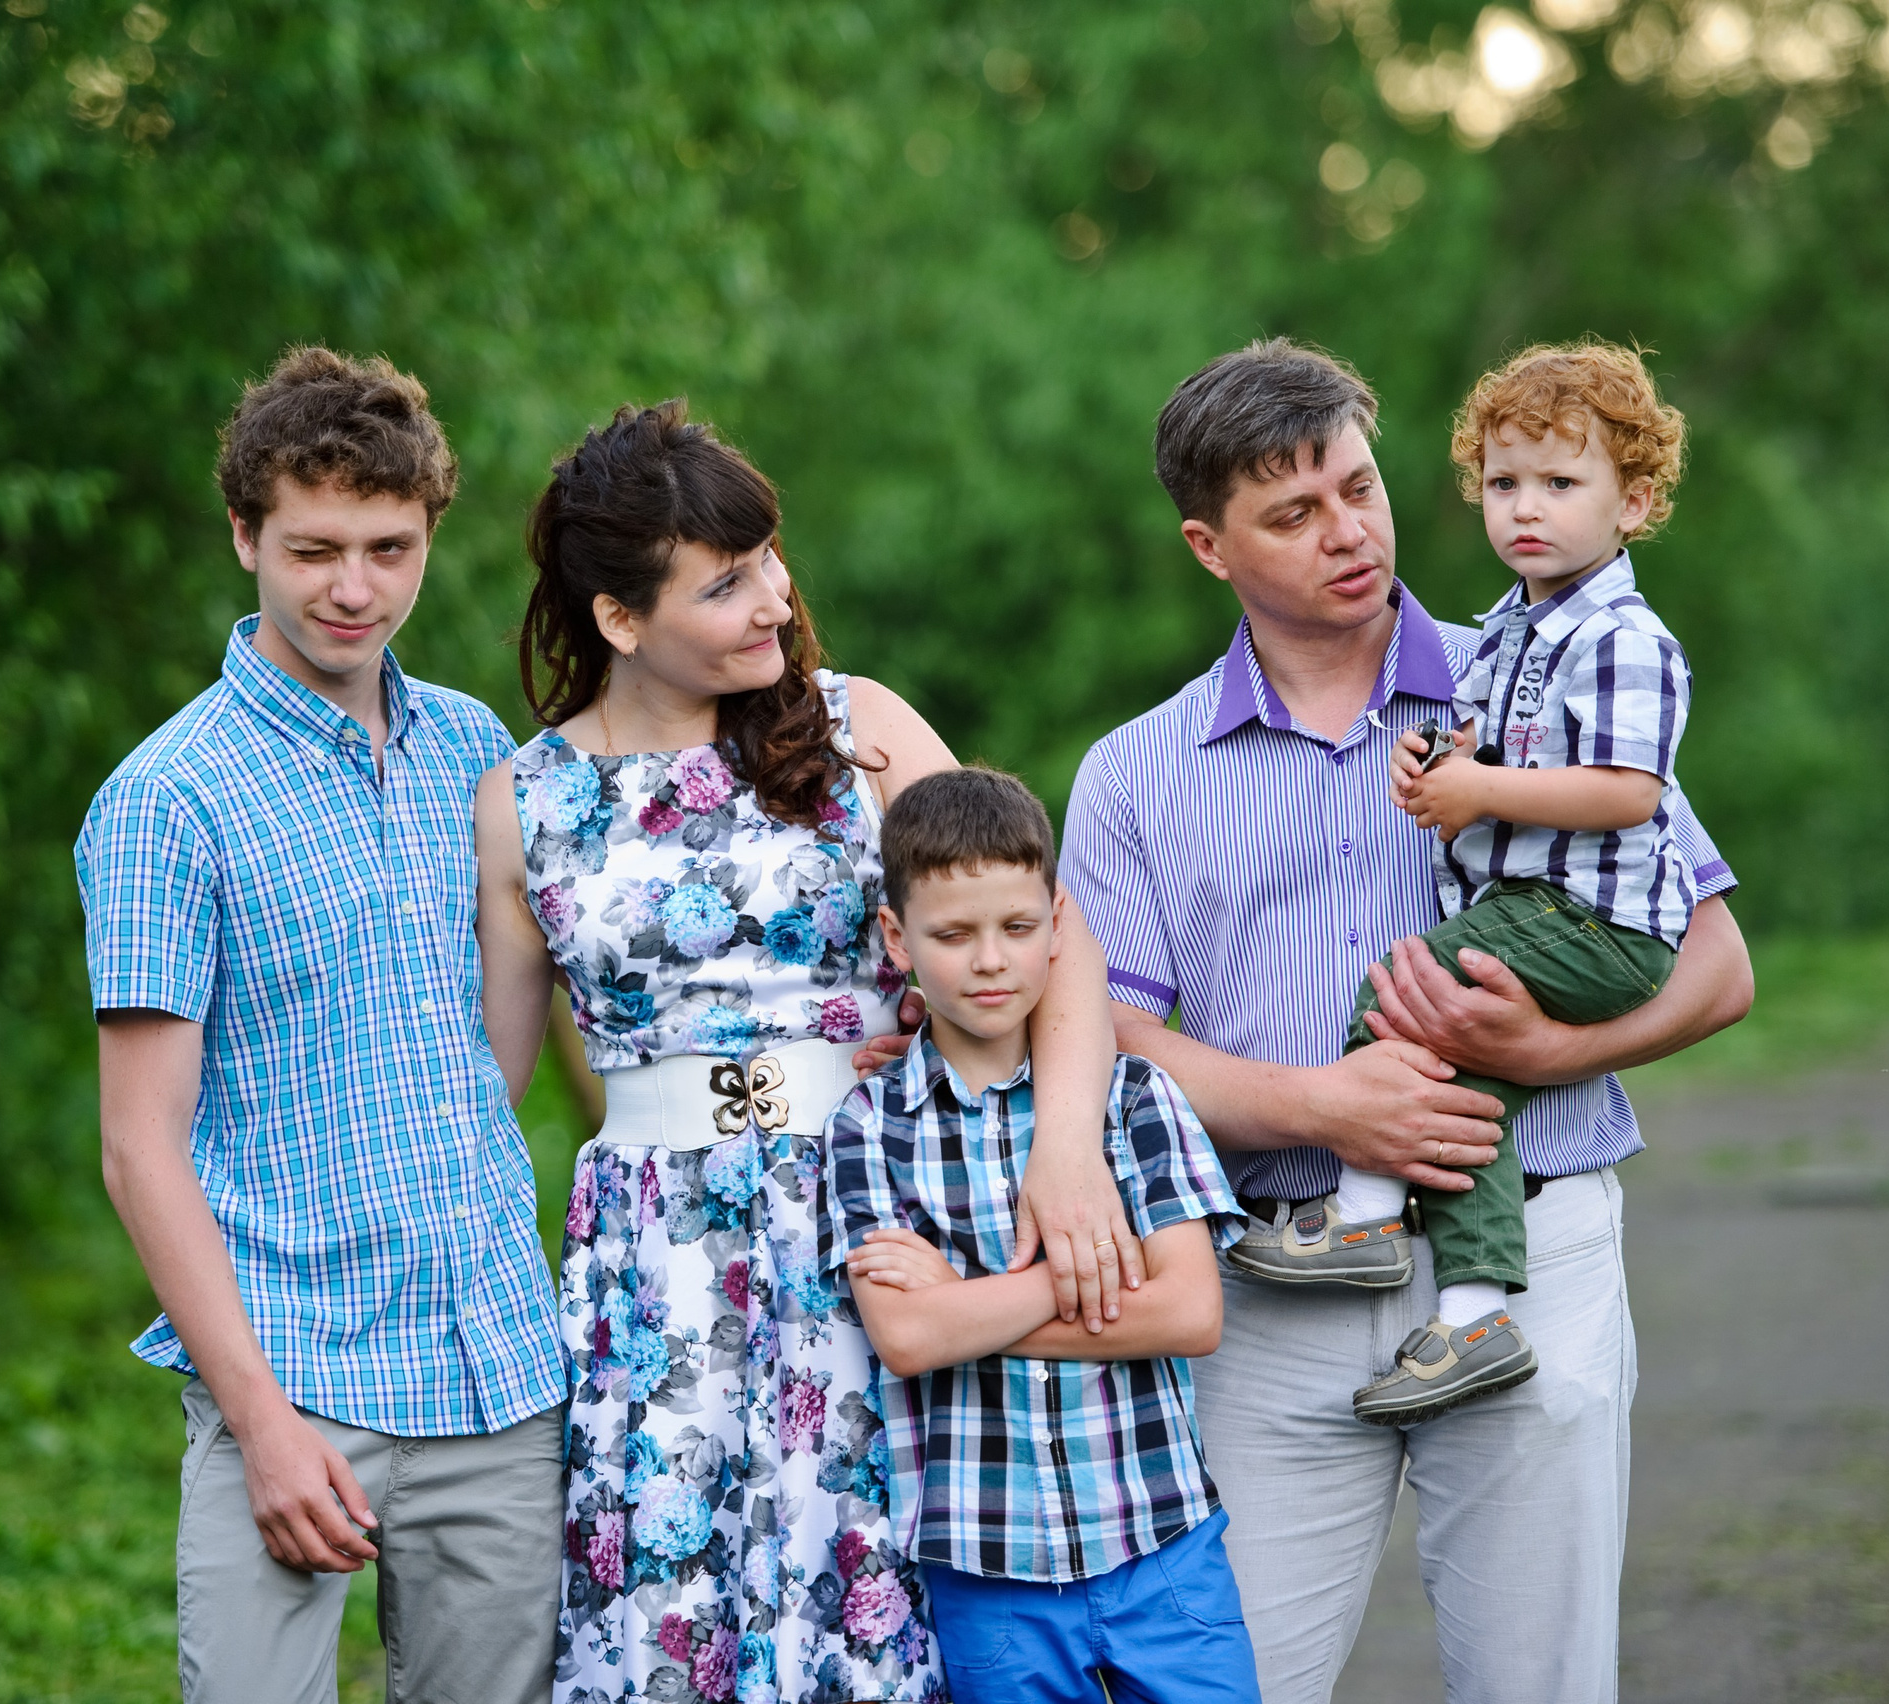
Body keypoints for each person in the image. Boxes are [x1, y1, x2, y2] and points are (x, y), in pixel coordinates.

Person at [1061, 338, 1755, 1704]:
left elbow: (1719, 965)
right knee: (1230, 1687)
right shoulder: (1134, 773)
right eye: (1294, 513)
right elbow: (1105, 1045)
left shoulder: (1538, 680)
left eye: (1358, 490)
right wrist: (1324, 1107)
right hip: (1272, 1284)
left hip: (1533, 1252)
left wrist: (1552, 1053)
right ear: (1210, 546)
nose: (1348, 534)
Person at [471, 400, 1138, 1704]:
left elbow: (1060, 951)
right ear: (621, 619)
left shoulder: (860, 730)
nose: (777, 599)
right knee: (672, 1607)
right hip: (654, 1262)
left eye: (771, 557)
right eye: (726, 584)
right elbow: (500, 1093)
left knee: (880, 1597)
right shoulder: (525, 802)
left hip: (876, 1216)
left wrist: (1066, 1150)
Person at [77, 348, 567, 1704]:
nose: (354, 587)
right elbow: (140, 1150)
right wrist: (264, 1426)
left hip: (498, 1378)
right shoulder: (165, 801)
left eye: (388, 547)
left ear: (427, 541)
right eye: (313, 549)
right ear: (244, 536)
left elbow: (515, 1042)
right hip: (290, 1379)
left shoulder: (478, 752)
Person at [1298, 342, 1696, 1427]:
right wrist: (1436, 769)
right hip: (1531, 909)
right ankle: (1472, 1315)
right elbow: (1479, 747)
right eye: (1504, 483)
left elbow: (1622, 794)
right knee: (1459, 1094)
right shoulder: (1511, 626)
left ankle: (1367, 1215)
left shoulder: (1621, 637)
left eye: (1562, 485)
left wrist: (1483, 790)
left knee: (1399, 989)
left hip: (1594, 920)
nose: (1527, 509)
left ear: (1635, 501)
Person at [826, 767, 1257, 1704]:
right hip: (990, 1575)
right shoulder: (870, 1123)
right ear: (897, 939)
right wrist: (1081, 1283)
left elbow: (1188, 1311)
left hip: (1162, 1547)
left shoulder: (1133, 1097)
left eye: (1018, 929)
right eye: (953, 934)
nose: (990, 960)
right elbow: (906, 1339)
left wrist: (958, 1303)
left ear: (1058, 925)